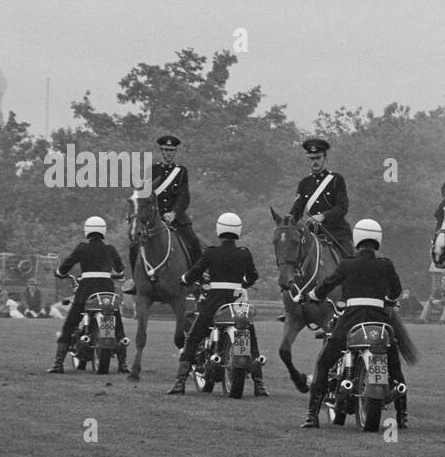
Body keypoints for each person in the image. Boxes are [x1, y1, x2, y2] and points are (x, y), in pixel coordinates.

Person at [300, 218, 409, 428]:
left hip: (351, 322)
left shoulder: (347, 263)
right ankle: (402, 416)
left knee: (323, 363)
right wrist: (388, 299)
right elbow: (396, 291)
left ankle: (312, 415)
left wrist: (313, 295)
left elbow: (327, 285)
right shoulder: (386, 264)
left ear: (357, 238)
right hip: (380, 324)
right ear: (378, 240)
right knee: (395, 367)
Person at [167, 213, 267, 397]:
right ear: (238, 230)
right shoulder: (244, 253)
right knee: (251, 341)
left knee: (193, 339)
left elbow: (195, 272)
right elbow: (253, 276)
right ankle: (259, 385)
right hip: (237, 304)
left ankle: (180, 382)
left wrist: (184, 278)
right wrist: (242, 282)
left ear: (219, 230)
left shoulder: (211, 252)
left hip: (214, 304)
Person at [48, 217, 127, 373]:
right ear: (103, 231)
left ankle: (58, 364)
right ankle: (123, 364)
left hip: (86, 292)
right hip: (106, 293)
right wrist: (113, 274)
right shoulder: (110, 249)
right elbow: (120, 270)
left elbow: (66, 265)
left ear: (87, 230)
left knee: (70, 325)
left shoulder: (82, 248)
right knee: (117, 325)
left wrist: (59, 272)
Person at [124, 135, 200, 293]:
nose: (168, 153)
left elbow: (184, 196)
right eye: (165, 150)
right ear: (161, 150)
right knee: (134, 246)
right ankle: (135, 280)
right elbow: (143, 196)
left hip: (175, 217)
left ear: (175, 151)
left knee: (193, 241)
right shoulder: (151, 170)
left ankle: (197, 277)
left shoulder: (181, 171)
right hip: (153, 217)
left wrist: (174, 213)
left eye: (171, 150)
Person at [289, 137, 353, 259]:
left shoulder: (336, 179)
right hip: (313, 234)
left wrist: (323, 216)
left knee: (350, 263)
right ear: (308, 160)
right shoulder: (304, 183)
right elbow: (296, 211)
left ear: (325, 158)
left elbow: (342, 208)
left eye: (318, 158)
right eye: (312, 159)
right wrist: (287, 221)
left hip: (337, 234)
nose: (315, 162)